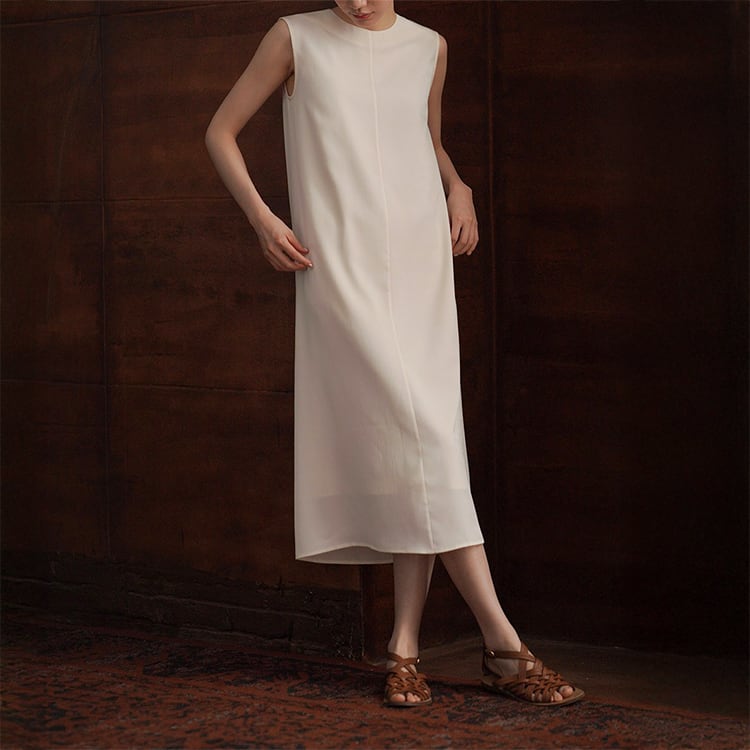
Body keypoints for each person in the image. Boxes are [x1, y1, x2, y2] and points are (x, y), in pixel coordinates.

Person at [205, 0, 584, 708]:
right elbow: (219, 131)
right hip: (339, 269)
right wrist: (262, 219)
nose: (357, 2)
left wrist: (457, 185)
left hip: (419, 263)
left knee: (420, 449)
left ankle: (404, 648)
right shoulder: (295, 38)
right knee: (425, 443)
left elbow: (424, 138)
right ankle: (504, 644)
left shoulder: (429, 47)